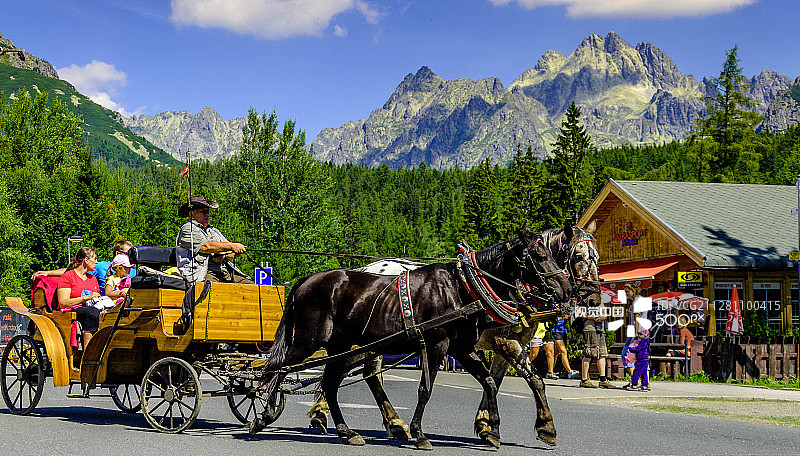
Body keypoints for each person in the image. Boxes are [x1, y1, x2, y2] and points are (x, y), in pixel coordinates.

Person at [175, 195, 250, 284]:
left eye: (207, 211)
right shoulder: (188, 229)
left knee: (253, 288)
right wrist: (230, 246)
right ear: (191, 214)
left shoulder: (214, 231)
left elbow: (231, 253)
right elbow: (205, 247)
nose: (207, 214)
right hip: (203, 274)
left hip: (225, 272)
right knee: (216, 289)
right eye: (202, 211)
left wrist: (223, 255)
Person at [32, 239, 137, 293]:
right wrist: (48, 273)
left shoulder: (134, 271)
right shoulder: (101, 266)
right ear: (118, 254)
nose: (132, 256)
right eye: (129, 253)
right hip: (108, 307)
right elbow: (75, 271)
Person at [55, 247, 102, 349]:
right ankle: (88, 352)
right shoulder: (67, 277)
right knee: (92, 312)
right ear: (86, 260)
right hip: (72, 310)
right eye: (94, 259)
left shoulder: (92, 278)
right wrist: (85, 298)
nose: (97, 262)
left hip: (91, 308)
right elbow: (63, 303)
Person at [580, 305, 614, 388]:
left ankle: (603, 380)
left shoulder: (601, 301)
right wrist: (593, 317)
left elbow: (604, 311)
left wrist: (603, 316)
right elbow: (580, 312)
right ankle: (584, 380)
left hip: (600, 328)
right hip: (590, 328)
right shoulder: (584, 300)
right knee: (589, 353)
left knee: (602, 353)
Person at [620, 283, 640, 382]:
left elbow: (637, 318)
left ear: (634, 291)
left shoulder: (636, 301)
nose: (626, 294)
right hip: (634, 332)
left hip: (636, 333)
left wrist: (636, 333)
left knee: (627, 355)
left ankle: (634, 380)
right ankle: (637, 380)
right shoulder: (631, 302)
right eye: (625, 292)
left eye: (628, 291)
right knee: (635, 355)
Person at [625, 327, 651, 391]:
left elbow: (639, 350)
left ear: (645, 335)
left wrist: (632, 349)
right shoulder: (646, 342)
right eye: (638, 334)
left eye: (641, 334)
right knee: (644, 373)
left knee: (636, 372)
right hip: (645, 359)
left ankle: (634, 385)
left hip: (641, 359)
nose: (639, 336)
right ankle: (644, 385)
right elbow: (648, 349)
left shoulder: (643, 342)